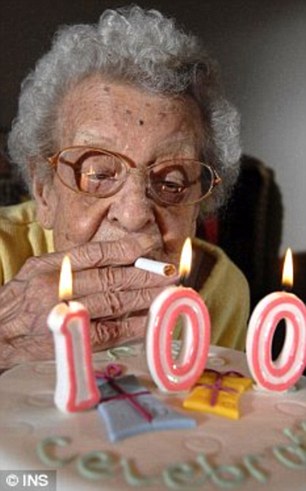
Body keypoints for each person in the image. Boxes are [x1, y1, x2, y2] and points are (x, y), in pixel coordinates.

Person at [0, 5, 249, 368]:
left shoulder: (221, 291)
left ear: (198, 205)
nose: (134, 216)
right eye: (99, 174)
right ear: (44, 190)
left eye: (171, 182)